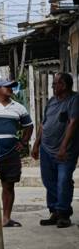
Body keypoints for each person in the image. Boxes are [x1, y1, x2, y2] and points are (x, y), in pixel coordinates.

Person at [31, 69, 79, 228]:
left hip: (65, 151)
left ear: (64, 85)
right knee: (48, 181)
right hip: (46, 149)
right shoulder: (52, 101)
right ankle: (55, 211)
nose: (53, 86)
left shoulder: (74, 99)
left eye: (55, 84)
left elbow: (73, 123)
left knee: (63, 181)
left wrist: (63, 147)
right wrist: (36, 144)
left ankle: (64, 213)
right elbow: (43, 124)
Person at [0, 77, 33, 228]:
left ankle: (6, 218)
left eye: (11, 86)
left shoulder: (18, 107)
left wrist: (23, 142)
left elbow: (29, 126)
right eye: (7, 86)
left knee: (9, 186)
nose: (10, 89)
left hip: (10, 153)